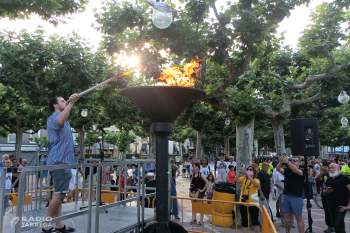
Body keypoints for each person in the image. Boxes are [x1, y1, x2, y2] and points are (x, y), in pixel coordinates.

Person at [43, 94, 80, 233]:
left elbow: (63, 119)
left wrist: (71, 103)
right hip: (59, 160)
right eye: (63, 101)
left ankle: (59, 225)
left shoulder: (63, 118)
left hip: (63, 160)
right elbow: (60, 121)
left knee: (59, 193)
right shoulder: (53, 118)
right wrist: (71, 103)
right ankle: (47, 225)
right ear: (56, 106)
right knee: (59, 195)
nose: (66, 102)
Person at [276, 156, 304, 233]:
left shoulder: (302, 170)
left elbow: (297, 171)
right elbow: (278, 169)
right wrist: (281, 162)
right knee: (287, 216)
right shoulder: (287, 170)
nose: (293, 161)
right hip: (286, 195)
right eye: (292, 160)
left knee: (298, 217)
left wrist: (288, 162)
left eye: (295, 160)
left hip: (297, 196)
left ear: (299, 162)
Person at [324, 163, 350, 233]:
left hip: (341, 205)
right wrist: (327, 192)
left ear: (339, 168)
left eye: (333, 168)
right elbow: (325, 193)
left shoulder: (345, 179)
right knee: (335, 225)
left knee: (338, 224)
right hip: (331, 204)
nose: (331, 169)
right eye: (330, 168)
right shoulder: (329, 179)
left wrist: (348, 206)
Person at [234, 165, 260, 233]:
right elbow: (235, 180)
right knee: (244, 220)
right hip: (243, 203)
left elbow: (256, 185)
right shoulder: (243, 179)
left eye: (251, 170)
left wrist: (248, 176)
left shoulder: (257, 180)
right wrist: (239, 173)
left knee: (255, 221)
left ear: (254, 172)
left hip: (253, 203)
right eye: (248, 169)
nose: (249, 171)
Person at [316, 165, 334, 233]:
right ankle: (330, 226)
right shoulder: (323, 175)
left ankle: (333, 226)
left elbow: (332, 178)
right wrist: (321, 173)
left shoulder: (332, 175)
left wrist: (327, 172)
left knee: (332, 211)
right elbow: (318, 180)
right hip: (324, 195)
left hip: (331, 195)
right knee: (326, 211)